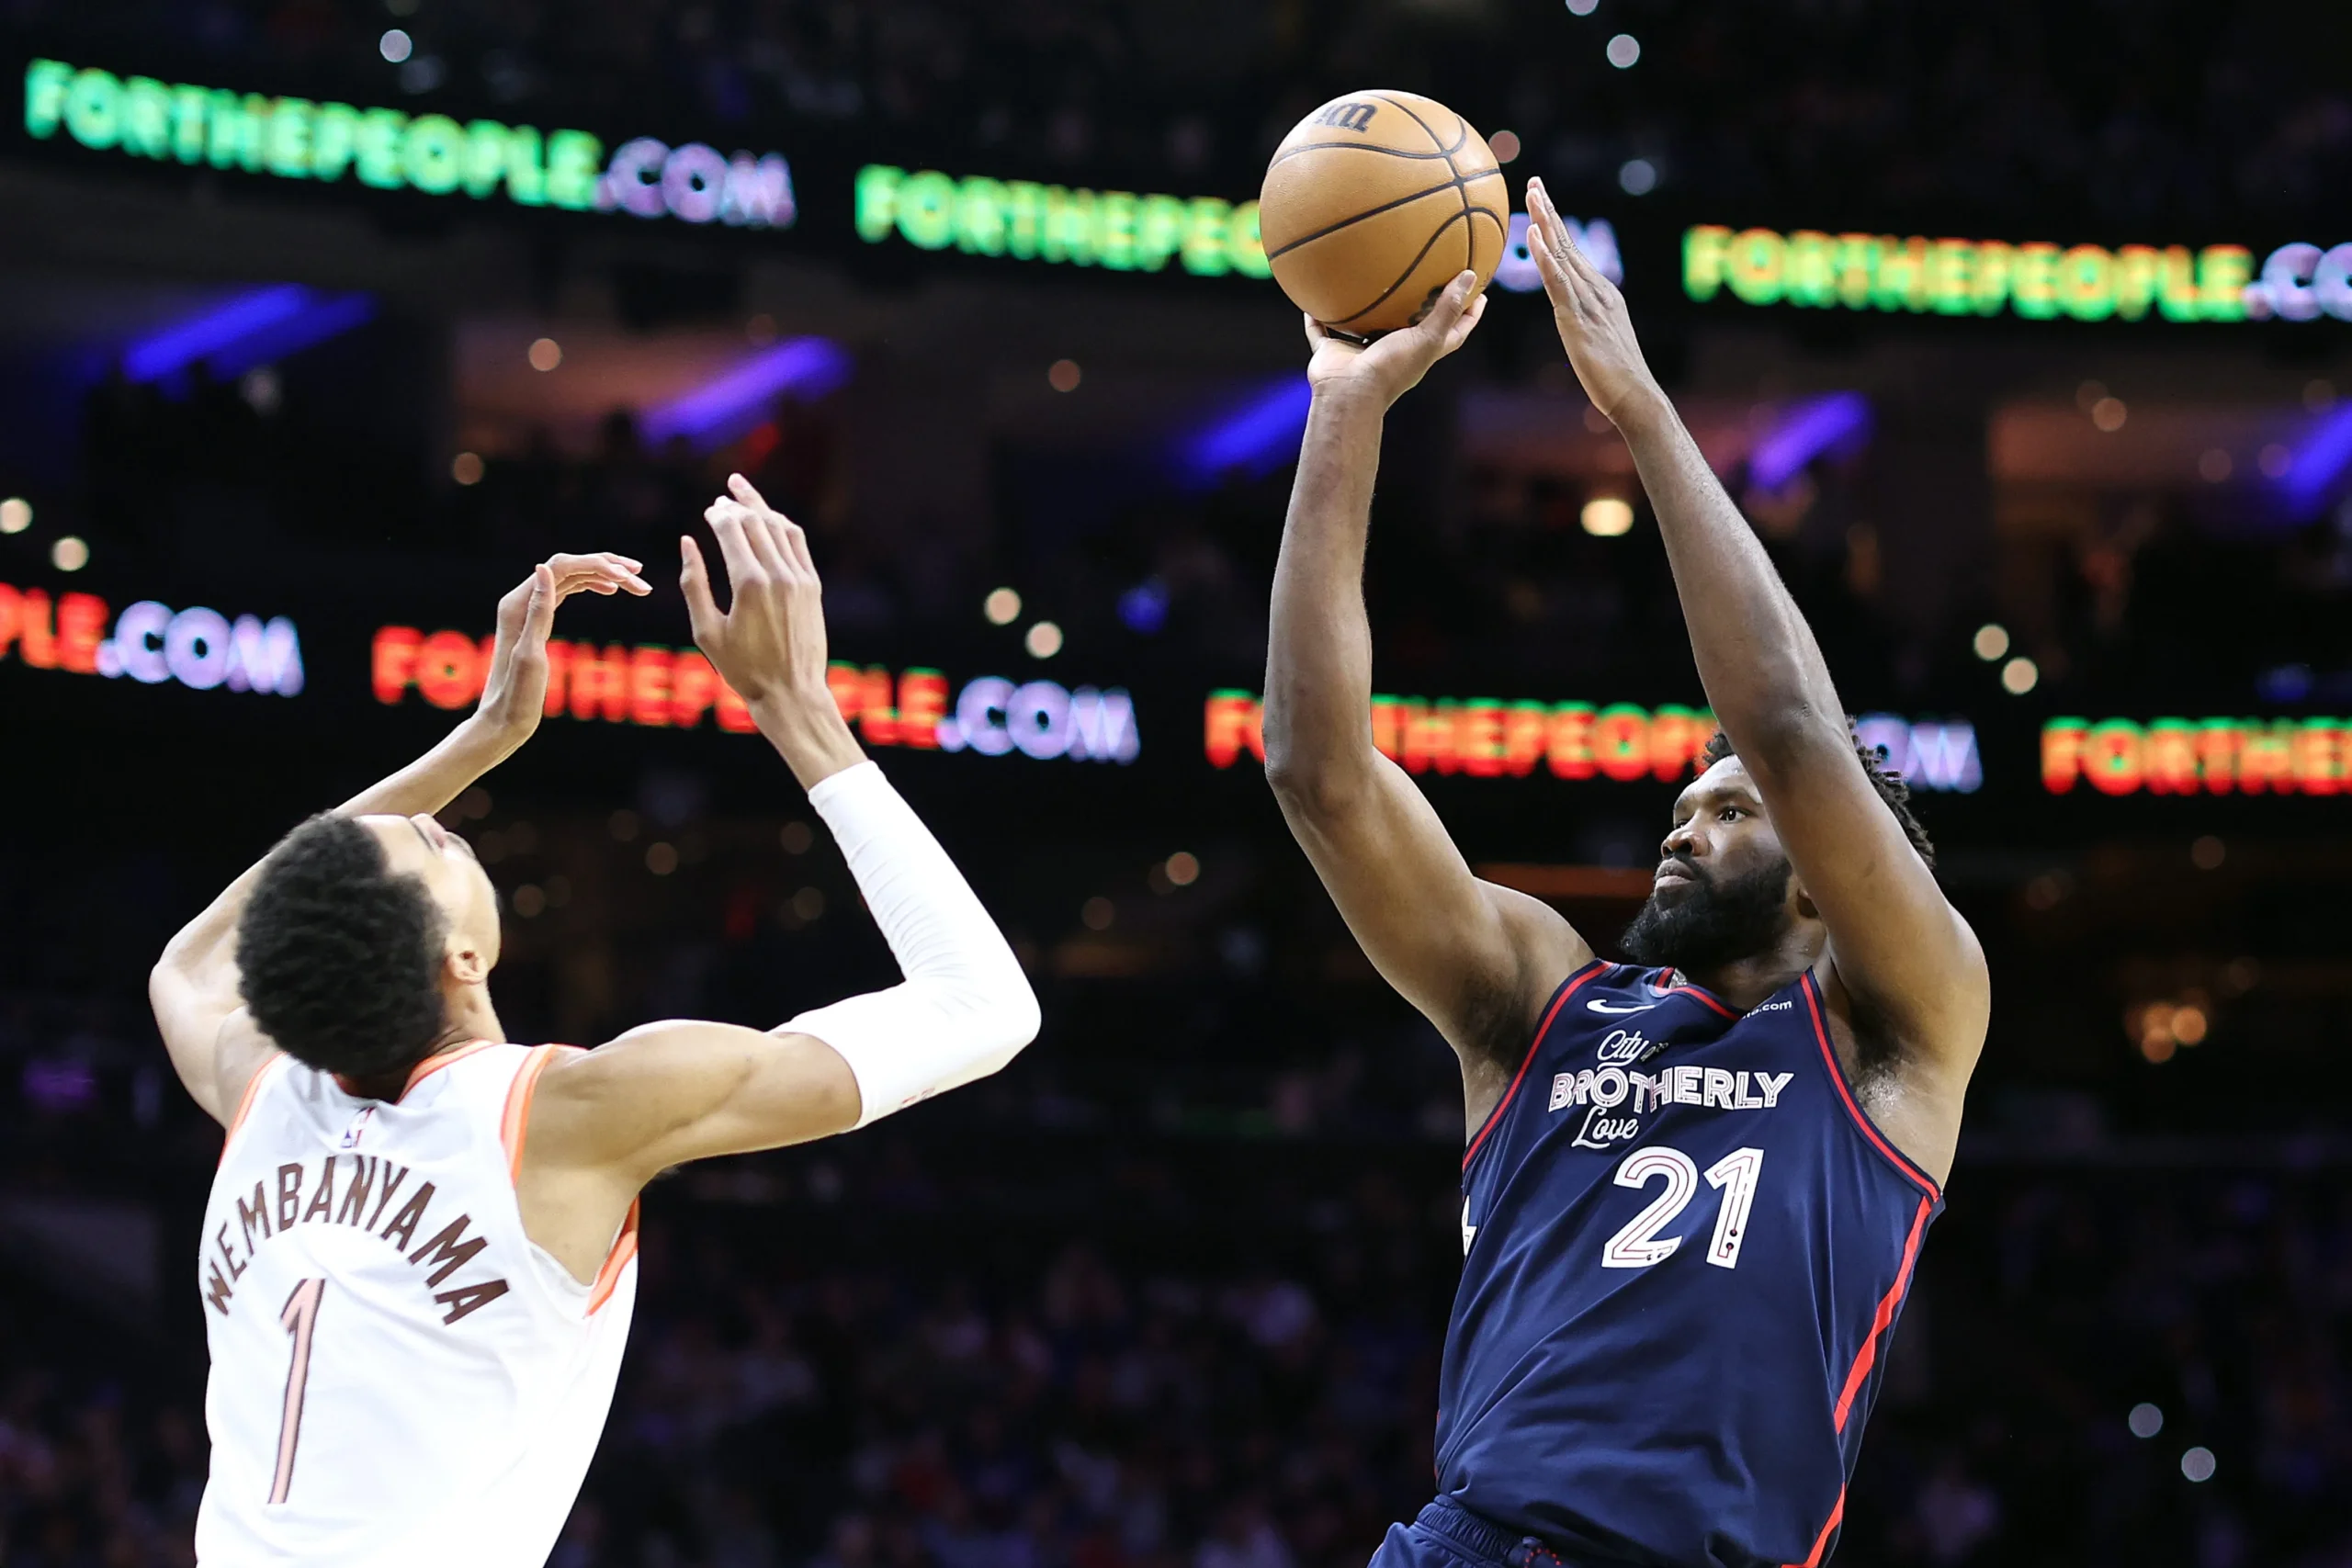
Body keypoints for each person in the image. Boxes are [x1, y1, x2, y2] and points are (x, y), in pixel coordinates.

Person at [1261, 181, 1989, 1568]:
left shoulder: (1899, 1029)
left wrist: (1644, 414)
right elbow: (1319, 769)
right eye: (1681, 800)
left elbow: (1788, 730)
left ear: (1830, 880)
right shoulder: (1541, 995)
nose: (1681, 823)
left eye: (1728, 811)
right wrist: (1344, 407)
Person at [150, 478, 1041, 1567]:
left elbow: (192, 957)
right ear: (462, 956)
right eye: (426, 838)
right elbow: (984, 1006)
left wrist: (481, 738)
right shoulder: (565, 1112)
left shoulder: (259, 1086)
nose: (426, 818)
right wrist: (799, 712)